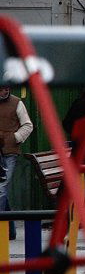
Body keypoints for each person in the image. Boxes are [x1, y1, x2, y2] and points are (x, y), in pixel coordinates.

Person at [0, 85, 33, 240]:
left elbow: (28, 125)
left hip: (9, 152)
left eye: (6, 88)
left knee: (1, 188)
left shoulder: (17, 103)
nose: (4, 92)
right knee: (2, 190)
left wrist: (15, 138)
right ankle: (10, 231)